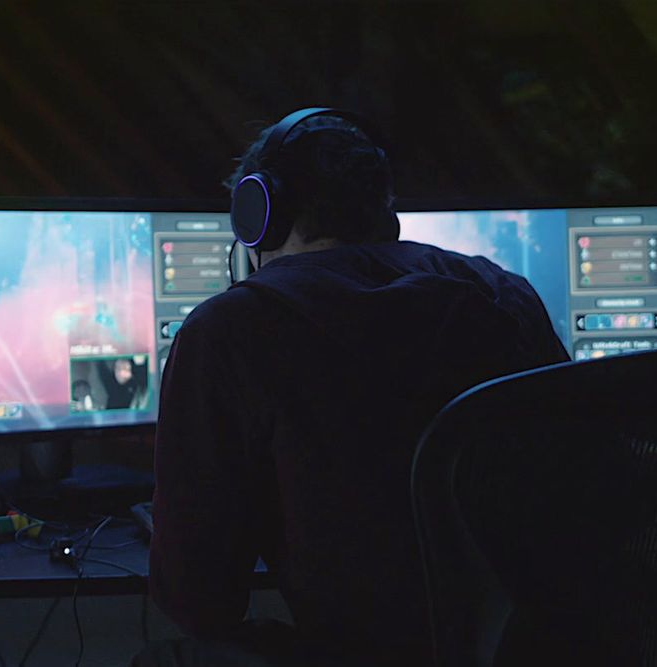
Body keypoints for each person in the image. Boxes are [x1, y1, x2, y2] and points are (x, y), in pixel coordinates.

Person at [141, 110, 569, 666]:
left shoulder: (233, 327)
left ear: (257, 215)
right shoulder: (502, 292)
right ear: (383, 212)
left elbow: (198, 600)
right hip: (540, 646)